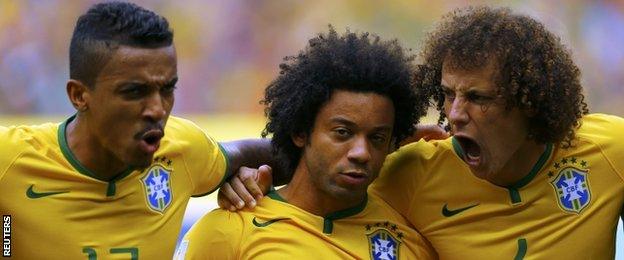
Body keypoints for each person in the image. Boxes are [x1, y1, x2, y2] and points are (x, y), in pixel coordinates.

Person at [0, 2, 272, 259]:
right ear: (79, 95)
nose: (157, 109)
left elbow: (282, 153)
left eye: (167, 89)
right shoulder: (10, 159)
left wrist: (250, 175)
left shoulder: (182, 149)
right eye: (134, 91)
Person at [370, 6, 624, 259]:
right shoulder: (410, 173)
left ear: (529, 101)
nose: (455, 114)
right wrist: (376, 150)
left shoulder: (610, 149)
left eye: (478, 97)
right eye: (448, 94)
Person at [176, 27, 437, 259]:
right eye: (343, 132)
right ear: (300, 132)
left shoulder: (410, 240)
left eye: (377, 138)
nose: (361, 153)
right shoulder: (229, 231)